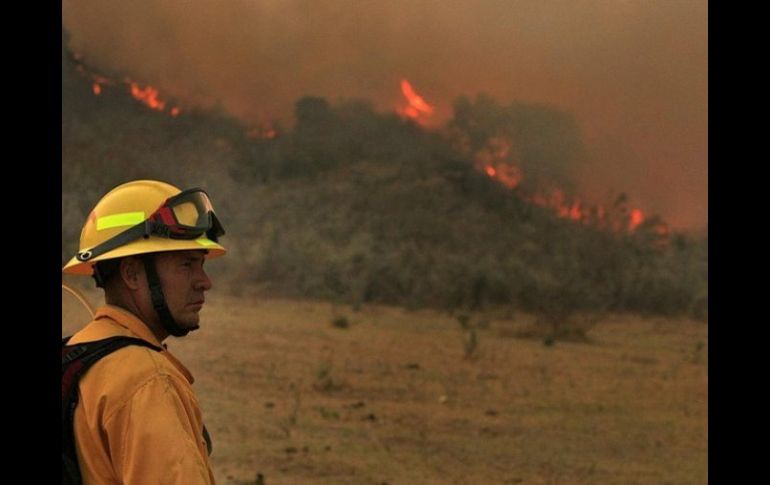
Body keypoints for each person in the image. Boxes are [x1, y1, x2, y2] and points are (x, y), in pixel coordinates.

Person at [62, 179, 227, 484]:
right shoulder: (147, 381)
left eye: (201, 264)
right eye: (187, 264)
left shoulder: (76, 356)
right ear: (132, 274)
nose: (204, 282)